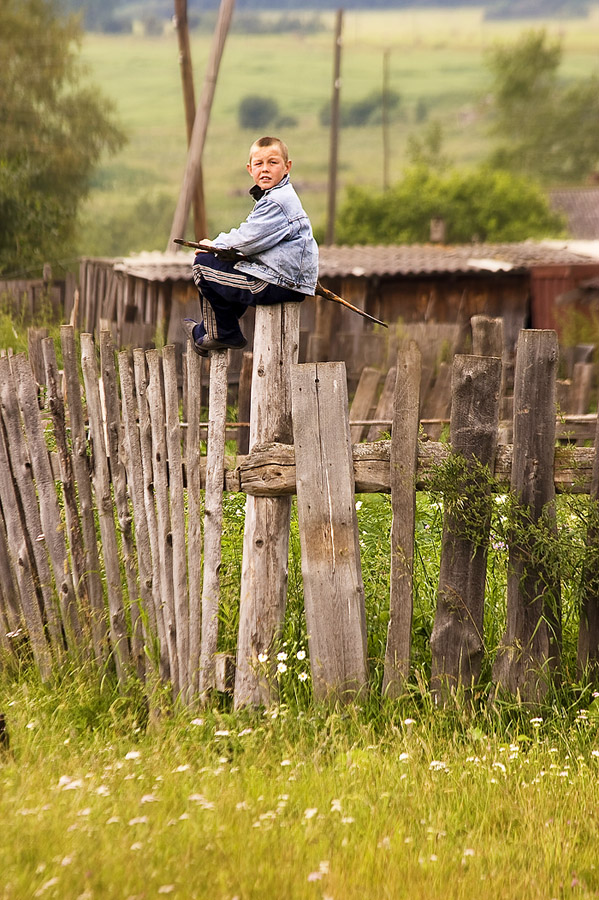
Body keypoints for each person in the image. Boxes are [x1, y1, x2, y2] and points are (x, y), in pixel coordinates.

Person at [183, 136, 319, 356]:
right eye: (259, 164)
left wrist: (213, 244)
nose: (265, 169)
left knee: (203, 264)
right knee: (226, 265)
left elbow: (248, 240)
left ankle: (217, 333)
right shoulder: (275, 197)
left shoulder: (278, 201)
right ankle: (210, 331)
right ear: (250, 169)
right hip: (283, 281)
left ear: (287, 167)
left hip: (277, 283)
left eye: (273, 163)